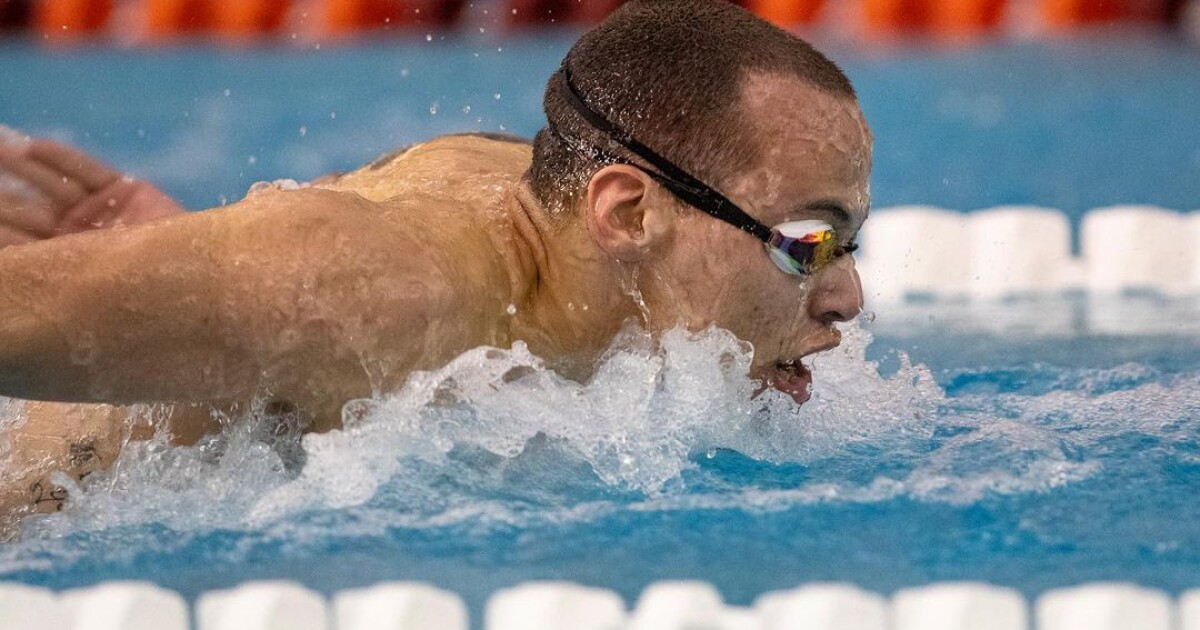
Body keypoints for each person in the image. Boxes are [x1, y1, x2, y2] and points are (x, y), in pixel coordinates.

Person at [0, 0, 870, 530]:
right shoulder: (381, 290)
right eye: (807, 241)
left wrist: (193, 270)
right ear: (628, 215)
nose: (848, 297)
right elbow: (347, 270)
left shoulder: (549, 210)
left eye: (847, 242)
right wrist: (258, 285)